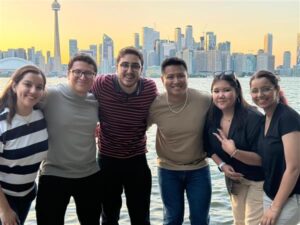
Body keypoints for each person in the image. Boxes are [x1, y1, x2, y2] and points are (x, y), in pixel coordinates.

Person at [91, 46, 157, 225]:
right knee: (109, 216)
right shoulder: (101, 84)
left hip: (137, 160)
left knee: (141, 217)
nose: (129, 71)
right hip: (107, 160)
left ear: (141, 69)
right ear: (116, 67)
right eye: (125, 65)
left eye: (135, 66)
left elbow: (161, 112)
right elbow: (77, 96)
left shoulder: (149, 88)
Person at [35, 53, 101, 225]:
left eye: (88, 73)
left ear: (94, 77)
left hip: (89, 174)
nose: (82, 76)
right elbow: (21, 104)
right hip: (54, 174)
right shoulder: (50, 95)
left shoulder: (94, 101)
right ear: (68, 73)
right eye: (77, 71)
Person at [148, 57, 211, 225]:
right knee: (172, 219)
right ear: (162, 80)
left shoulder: (204, 100)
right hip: (168, 170)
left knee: (200, 220)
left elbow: (231, 107)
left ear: (187, 76)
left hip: (198, 169)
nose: (176, 81)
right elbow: (136, 129)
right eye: (170, 77)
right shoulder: (155, 105)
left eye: (181, 76)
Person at [204, 71, 264, 225]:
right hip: (235, 180)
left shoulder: (253, 117)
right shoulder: (212, 117)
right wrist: (222, 165)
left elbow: (263, 159)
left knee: (252, 223)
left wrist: (234, 152)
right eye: (216, 91)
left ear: (237, 92)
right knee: (238, 222)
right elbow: (207, 147)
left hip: (259, 180)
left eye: (226, 90)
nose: (221, 95)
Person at [248, 70, 299, 225]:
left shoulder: (287, 118)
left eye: (266, 89)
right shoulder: (265, 119)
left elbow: (294, 167)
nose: (260, 94)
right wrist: (231, 153)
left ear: (276, 90)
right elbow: (263, 159)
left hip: (290, 196)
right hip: (271, 193)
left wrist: (275, 207)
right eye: (255, 91)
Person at [0, 65, 48, 225]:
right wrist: (5, 210)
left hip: (27, 195)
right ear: (14, 86)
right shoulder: (3, 125)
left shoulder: (40, 116)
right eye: (27, 84)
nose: (33, 91)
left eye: (39, 87)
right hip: (3, 200)